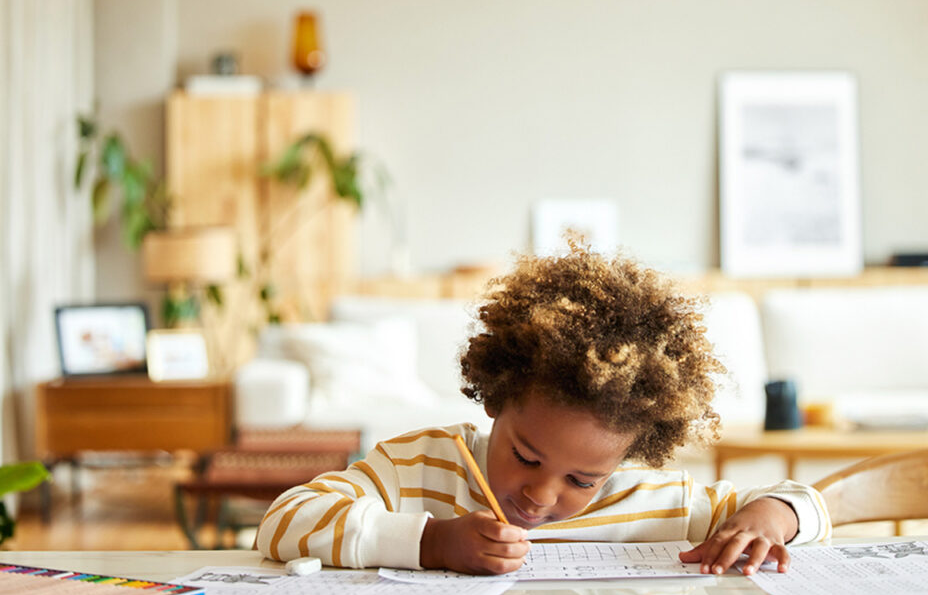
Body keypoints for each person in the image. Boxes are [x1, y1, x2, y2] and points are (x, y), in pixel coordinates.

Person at [256, 242, 831, 576]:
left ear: (629, 454)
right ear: (497, 400)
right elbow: (282, 523)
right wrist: (430, 543)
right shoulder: (418, 469)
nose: (541, 495)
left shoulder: (657, 504)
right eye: (526, 457)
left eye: (582, 479)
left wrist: (772, 518)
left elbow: (807, 506)